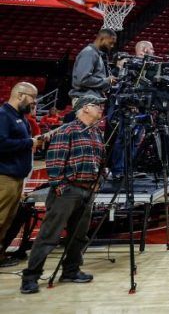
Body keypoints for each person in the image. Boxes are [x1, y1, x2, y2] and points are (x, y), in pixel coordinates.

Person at [20, 95, 106, 295]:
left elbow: (100, 161)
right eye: (96, 105)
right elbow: (55, 161)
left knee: (79, 236)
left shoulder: (96, 133)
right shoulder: (67, 130)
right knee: (49, 234)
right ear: (85, 108)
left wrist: (98, 182)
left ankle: (71, 270)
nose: (101, 108)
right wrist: (60, 187)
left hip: (88, 190)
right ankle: (31, 276)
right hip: (68, 191)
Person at [1, 82, 45, 267]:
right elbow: (1, 144)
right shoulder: (3, 116)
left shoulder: (20, 117)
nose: (34, 103)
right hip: (5, 177)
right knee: (1, 217)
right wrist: (29, 143)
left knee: (8, 219)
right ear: (20, 95)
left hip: (16, 177)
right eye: (32, 98)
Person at [70, 29, 118, 99]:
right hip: (85, 99)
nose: (112, 46)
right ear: (101, 39)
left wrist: (110, 81)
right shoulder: (89, 53)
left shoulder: (98, 54)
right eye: (110, 43)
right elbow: (83, 80)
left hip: (92, 98)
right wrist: (107, 80)